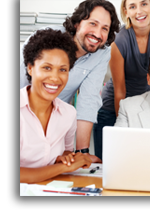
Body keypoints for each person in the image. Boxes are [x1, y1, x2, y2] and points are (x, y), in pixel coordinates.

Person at [20, 0, 120, 163]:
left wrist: (82, 153)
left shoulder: (102, 53)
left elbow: (88, 100)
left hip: (54, 122)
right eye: (93, 23)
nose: (97, 34)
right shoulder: (46, 40)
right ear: (77, 23)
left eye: (104, 28)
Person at [93, 0, 150, 160]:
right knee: (109, 166)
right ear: (126, 11)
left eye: (144, 4)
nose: (139, 11)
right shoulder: (119, 39)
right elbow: (120, 91)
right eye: (132, 6)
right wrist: (123, 127)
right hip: (113, 110)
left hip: (144, 109)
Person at [20, 28, 92, 183]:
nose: (55, 78)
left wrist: (67, 158)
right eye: (47, 67)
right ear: (30, 68)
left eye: (63, 70)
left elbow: (66, 151)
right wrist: (64, 168)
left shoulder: (68, 114)